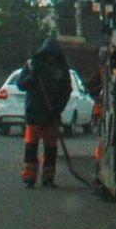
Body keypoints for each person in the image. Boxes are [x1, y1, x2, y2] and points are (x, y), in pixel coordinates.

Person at [20, 36, 73, 188]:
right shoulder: (32, 65)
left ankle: (48, 178)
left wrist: (58, 108)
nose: (50, 58)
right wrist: (33, 76)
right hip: (34, 115)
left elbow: (66, 90)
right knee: (31, 148)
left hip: (51, 116)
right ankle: (29, 178)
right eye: (48, 54)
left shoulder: (61, 68)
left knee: (51, 149)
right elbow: (21, 85)